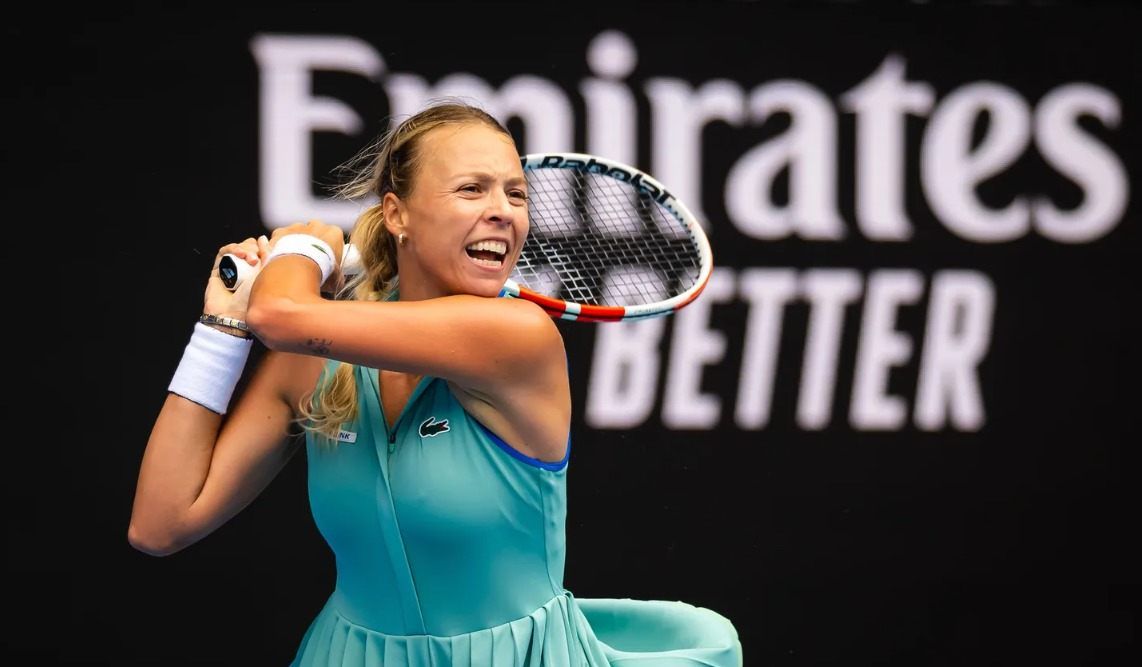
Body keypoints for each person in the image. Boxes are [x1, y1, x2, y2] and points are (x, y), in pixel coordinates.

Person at [129, 100, 742, 666]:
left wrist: (304, 251)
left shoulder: (515, 336)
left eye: (516, 194)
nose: (502, 209)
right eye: (471, 189)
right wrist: (220, 328)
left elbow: (280, 315)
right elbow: (161, 525)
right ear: (397, 213)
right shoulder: (314, 362)